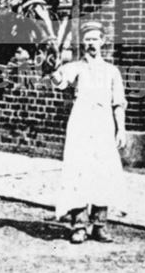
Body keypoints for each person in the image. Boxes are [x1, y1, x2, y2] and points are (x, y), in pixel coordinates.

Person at [51, 20, 127, 244]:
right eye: (88, 39)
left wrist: (121, 129)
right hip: (81, 123)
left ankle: (100, 224)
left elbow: (118, 103)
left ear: (103, 42)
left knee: (103, 171)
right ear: (83, 43)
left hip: (104, 125)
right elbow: (60, 82)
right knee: (79, 171)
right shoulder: (76, 67)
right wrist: (52, 71)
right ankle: (79, 225)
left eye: (95, 39)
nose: (91, 43)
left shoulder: (112, 71)